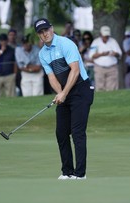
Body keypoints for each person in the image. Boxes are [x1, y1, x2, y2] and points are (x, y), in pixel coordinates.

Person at [34, 18, 94, 180]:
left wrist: (64, 93)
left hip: (81, 90)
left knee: (77, 132)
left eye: (46, 29)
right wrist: (60, 92)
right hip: (66, 92)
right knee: (61, 133)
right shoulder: (42, 54)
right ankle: (67, 172)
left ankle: (80, 174)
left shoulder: (66, 43)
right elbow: (51, 77)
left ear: (52, 28)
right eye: (41, 32)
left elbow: (74, 71)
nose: (44, 34)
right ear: (38, 35)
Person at [89, 25, 122, 91]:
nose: (106, 37)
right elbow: (91, 55)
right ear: (101, 34)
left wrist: (115, 54)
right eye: (105, 36)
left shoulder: (113, 41)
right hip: (99, 68)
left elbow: (119, 54)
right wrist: (102, 54)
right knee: (100, 87)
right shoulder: (96, 42)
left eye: (107, 36)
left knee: (112, 88)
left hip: (112, 68)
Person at [0, 33, 17, 98]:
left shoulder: (11, 50)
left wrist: (14, 74)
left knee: (11, 95)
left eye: (5, 40)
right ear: (0, 41)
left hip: (9, 75)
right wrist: (1, 51)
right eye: (2, 41)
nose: (3, 42)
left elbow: (15, 63)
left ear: (7, 41)